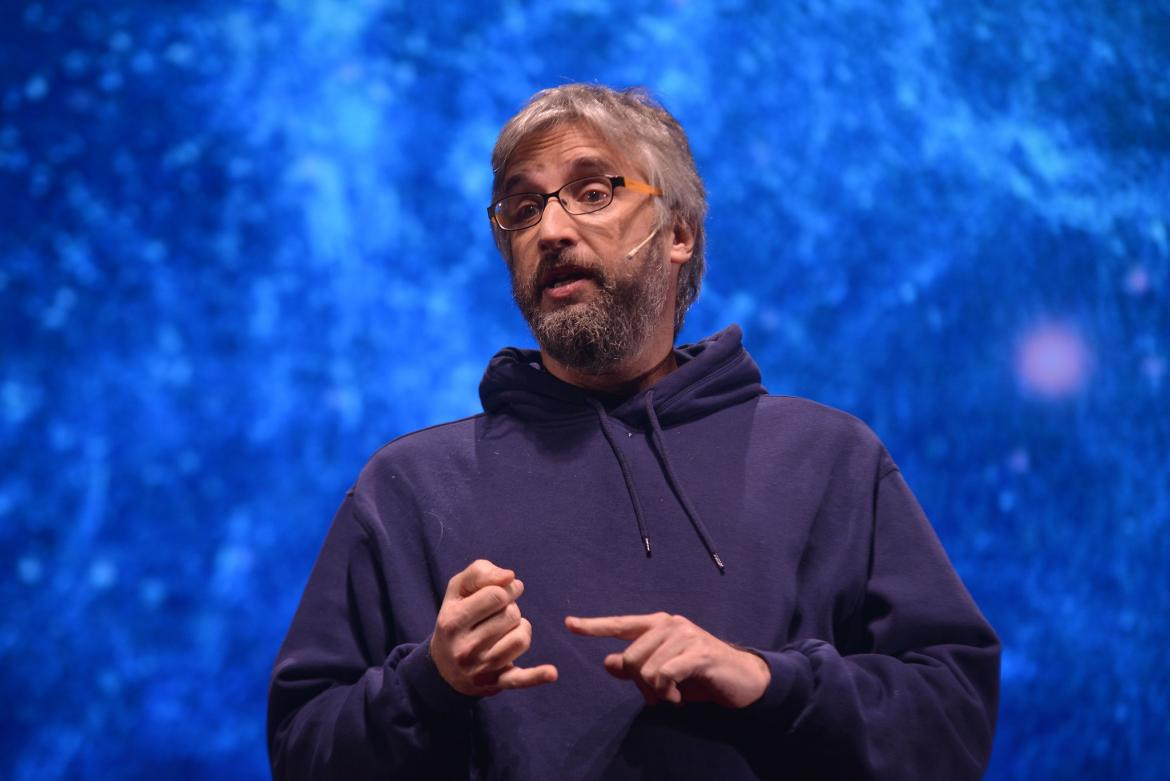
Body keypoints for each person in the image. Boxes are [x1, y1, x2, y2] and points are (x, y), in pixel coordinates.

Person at [267, 84, 1000, 780]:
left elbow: (952, 720)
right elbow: (303, 749)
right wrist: (430, 680)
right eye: (522, 208)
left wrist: (767, 680)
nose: (551, 230)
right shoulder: (410, 486)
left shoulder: (825, 460)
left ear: (677, 233)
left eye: (593, 192)